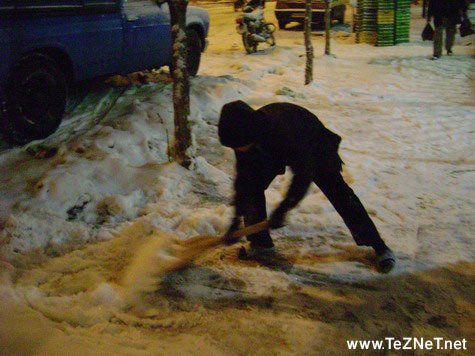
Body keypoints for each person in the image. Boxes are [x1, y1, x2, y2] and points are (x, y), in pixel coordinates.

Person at [218, 101, 396, 273]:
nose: (237, 150)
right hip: (268, 146)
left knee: (340, 193)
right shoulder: (243, 136)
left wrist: (284, 208)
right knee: (252, 187)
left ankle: (379, 247)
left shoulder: (283, 132)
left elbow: (303, 175)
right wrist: (236, 218)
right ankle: (260, 244)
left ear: (248, 134)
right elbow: (244, 180)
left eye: (238, 146)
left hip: (313, 147)